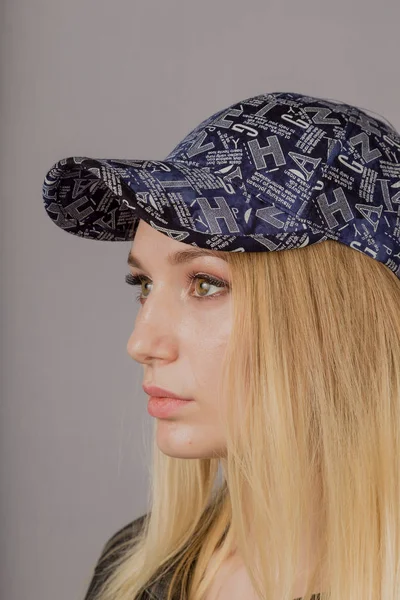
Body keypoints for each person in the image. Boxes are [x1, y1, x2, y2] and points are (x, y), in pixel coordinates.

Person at [42, 91, 400, 600]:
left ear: (339, 320)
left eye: (206, 284)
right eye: (142, 285)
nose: (141, 342)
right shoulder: (134, 572)